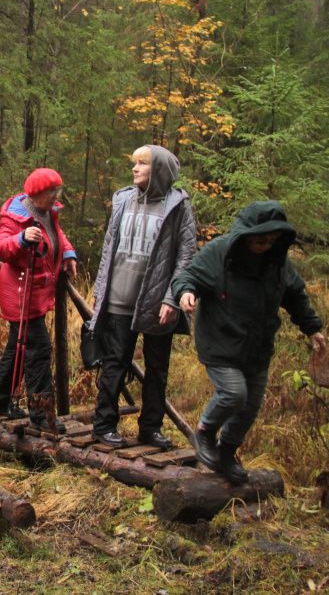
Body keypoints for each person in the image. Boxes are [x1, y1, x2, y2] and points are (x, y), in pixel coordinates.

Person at [172, 200, 327, 484]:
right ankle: (205, 432)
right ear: (246, 235)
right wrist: (185, 293)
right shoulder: (220, 253)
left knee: (250, 405)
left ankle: (226, 452)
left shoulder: (278, 263)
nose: (265, 245)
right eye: (259, 239)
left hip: (257, 346)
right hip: (220, 341)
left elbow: (296, 297)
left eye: (271, 240)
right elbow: (188, 276)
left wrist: (313, 329)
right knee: (233, 394)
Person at [88, 145, 197, 449]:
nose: (134, 168)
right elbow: (109, 248)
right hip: (119, 300)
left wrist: (172, 298)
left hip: (156, 303)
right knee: (114, 363)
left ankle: (150, 428)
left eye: (142, 164)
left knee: (157, 368)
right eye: (133, 163)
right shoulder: (122, 199)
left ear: (159, 169)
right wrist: (100, 290)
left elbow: (186, 256)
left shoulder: (178, 206)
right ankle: (103, 425)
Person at [0, 168, 78, 432]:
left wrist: (69, 254)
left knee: (18, 347)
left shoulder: (49, 212)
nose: (56, 197)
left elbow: (57, 237)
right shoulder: (15, 216)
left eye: (57, 191)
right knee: (39, 351)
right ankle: (41, 416)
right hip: (19, 294)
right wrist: (22, 238)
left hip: (37, 291)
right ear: (36, 194)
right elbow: (0, 248)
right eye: (52, 192)